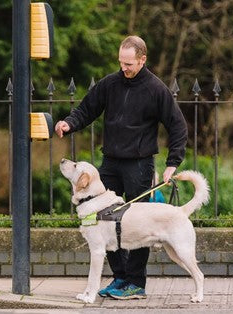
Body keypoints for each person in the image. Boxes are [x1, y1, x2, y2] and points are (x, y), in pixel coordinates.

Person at [54, 35, 188, 300]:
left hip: (140, 164)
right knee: (107, 222)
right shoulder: (110, 84)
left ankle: (136, 283)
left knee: (140, 224)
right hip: (111, 164)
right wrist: (69, 123)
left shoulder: (156, 89)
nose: (124, 68)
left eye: (128, 63)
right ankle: (119, 278)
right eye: (121, 62)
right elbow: (87, 109)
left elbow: (177, 126)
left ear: (142, 59)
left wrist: (173, 163)